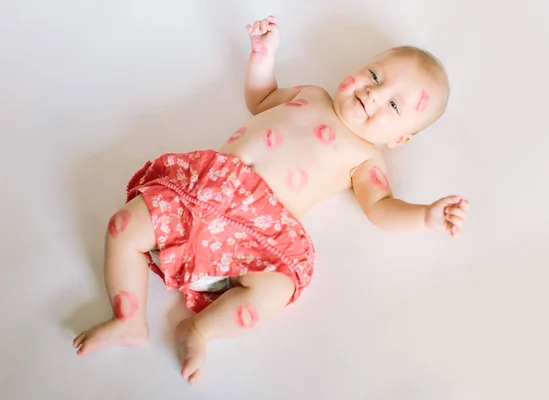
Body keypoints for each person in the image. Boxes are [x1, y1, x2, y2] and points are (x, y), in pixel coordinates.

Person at [72, 15, 469, 385]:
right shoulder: (311, 94)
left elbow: (380, 208)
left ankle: (200, 330)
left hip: (255, 233)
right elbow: (261, 99)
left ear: (399, 139)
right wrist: (263, 55)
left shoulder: (365, 157)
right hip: (204, 191)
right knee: (122, 226)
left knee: (276, 290)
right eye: (374, 74)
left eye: (395, 105)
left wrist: (426, 216)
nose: (373, 93)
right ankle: (127, 317)